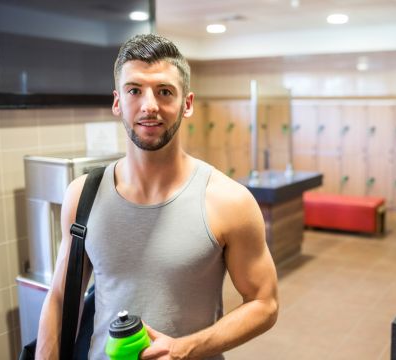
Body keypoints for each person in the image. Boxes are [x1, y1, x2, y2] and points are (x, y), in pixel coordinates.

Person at [36, 34, 279, 359]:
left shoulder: (228, 201)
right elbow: (60, 298)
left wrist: (184, 348)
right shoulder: (83, 196)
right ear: (117, 101)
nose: (149, 105)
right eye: (134, 90)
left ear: (187, 103)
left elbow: (265, 303)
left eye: (164, 91)